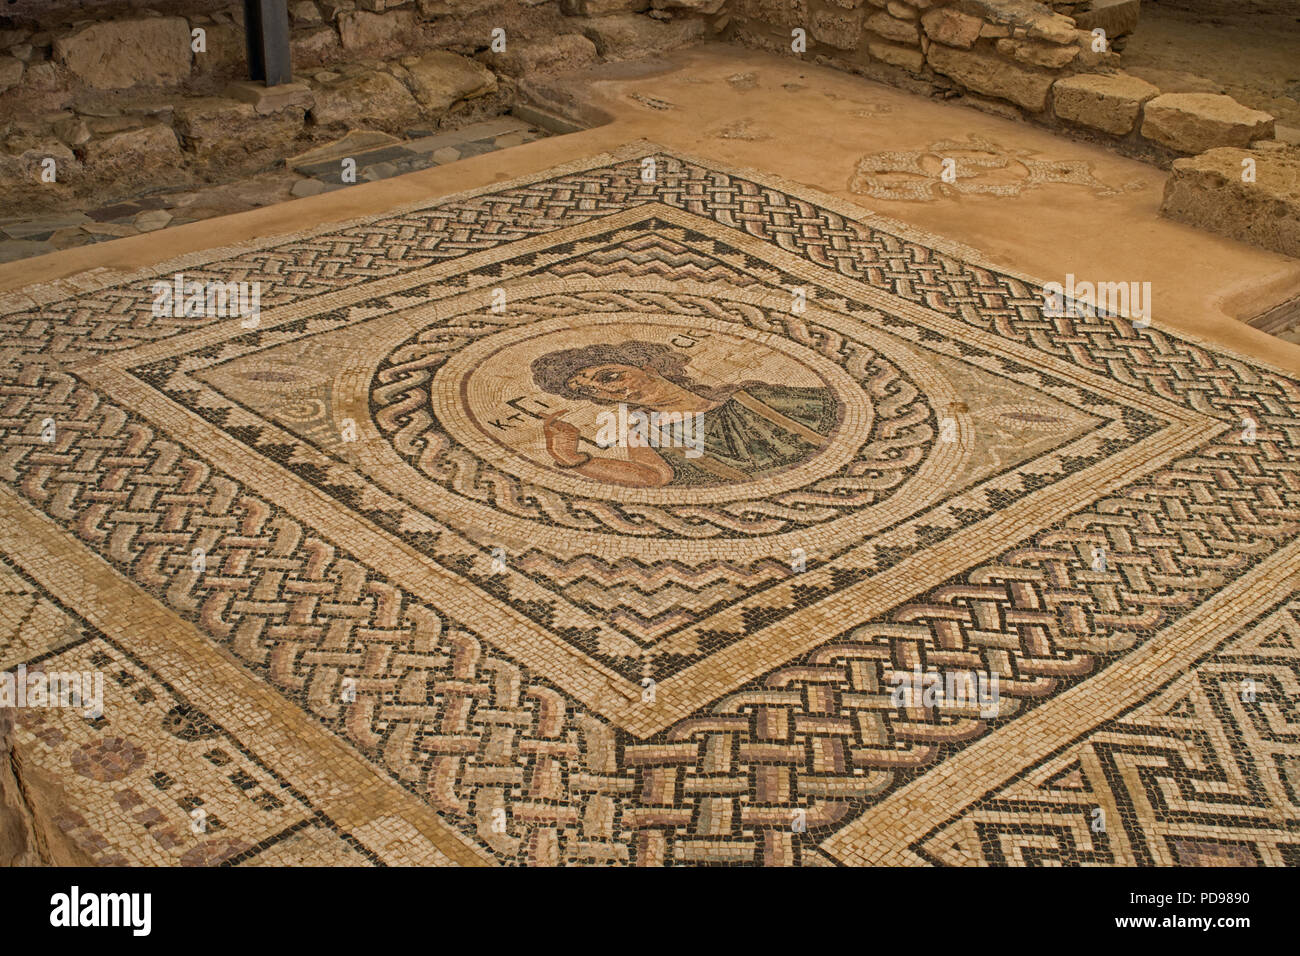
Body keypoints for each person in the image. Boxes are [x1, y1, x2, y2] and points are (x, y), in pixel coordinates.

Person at [530, 341, 837, 488]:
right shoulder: (646, 433)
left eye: (608, 376)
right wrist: (571, 458)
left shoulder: (752, 398)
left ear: (648, 367)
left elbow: (837, 411)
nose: (604, 390)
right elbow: (653, 477)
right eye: (590, 391)